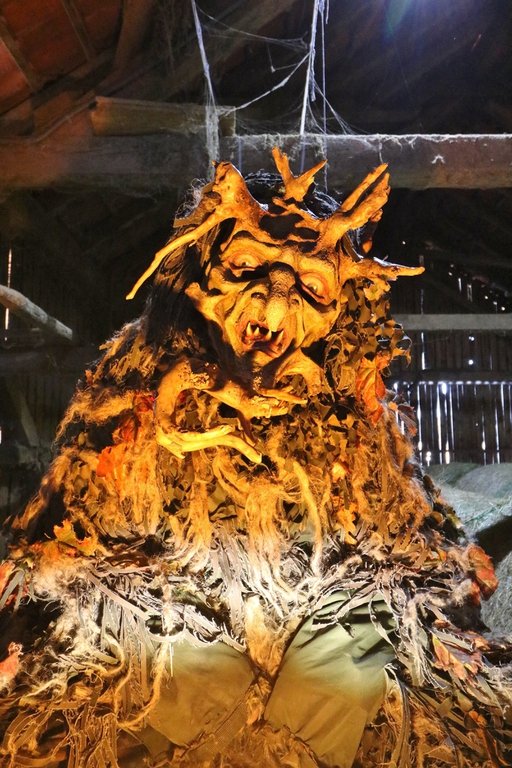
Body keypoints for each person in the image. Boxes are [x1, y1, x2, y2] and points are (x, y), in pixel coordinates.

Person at [0, 148, 510, 768]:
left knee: (352, 666)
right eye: (246, 266)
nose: (273, 304)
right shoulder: (137, 382)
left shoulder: (351, 411)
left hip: (324, 606)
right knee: (171, 679)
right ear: (201, 279)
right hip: (173, 603)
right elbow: (77, 538)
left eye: (311, 286)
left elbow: (408, 547)